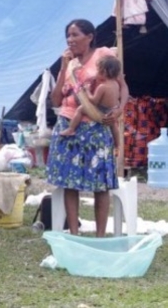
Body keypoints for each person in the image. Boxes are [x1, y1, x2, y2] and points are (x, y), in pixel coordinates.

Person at [48, 19, 129, 237]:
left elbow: (122, 86)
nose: (70, 39)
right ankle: (74, 233)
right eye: (68, 35)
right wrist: (65, 68)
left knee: (100, 183)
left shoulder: (104, 56)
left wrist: (119, 109)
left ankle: (100, 237)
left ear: (90, 36)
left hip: (96, 126)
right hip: (68, 123)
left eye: (75, 35)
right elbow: (56, 101)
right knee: (69, 182)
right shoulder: (69, 65)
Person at [59, 55, 122, 146]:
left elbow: (94, 101)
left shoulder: (102, 87)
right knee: (114, 126)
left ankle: (71, 129)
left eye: (98, 71)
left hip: (102, 111)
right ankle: (118, 144)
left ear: (103, 72)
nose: (96, 74)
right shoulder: (115, 84)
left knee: (81, 109)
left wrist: (87, 91)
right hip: (112, 110)